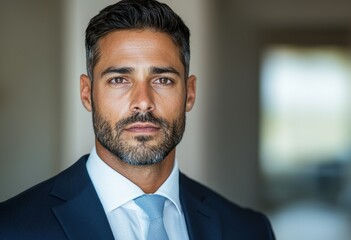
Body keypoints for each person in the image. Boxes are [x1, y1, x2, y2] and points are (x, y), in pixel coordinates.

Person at [0, 0, 275, 239]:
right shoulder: (10, 228)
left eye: (163, 80)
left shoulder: (248, 230)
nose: (143, 101)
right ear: (87, 93)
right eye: (119, 79)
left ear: (189, 93)